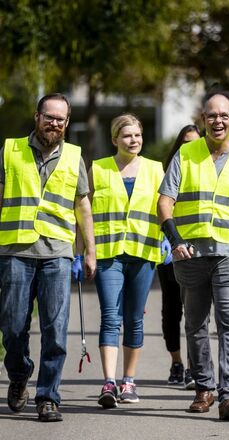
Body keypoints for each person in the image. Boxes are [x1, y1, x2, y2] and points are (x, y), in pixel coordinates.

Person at [157, 90, 229, 421]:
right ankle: (204, 387)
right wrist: (174, 238)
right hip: (191, 253)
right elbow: (165, 201)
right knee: (195, 324)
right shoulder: (186, 154)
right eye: (212, 115)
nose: (218, 121)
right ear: (202, 118)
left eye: (224, 115)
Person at [0, 93, 96, 422]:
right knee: (12, 327)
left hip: (57, 251)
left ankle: (48, 396)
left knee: (56, 329)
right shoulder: (11, 150)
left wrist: (89, 252)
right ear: (36, 116)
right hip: (15, 249)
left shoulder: (74, 156)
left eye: (60, 119)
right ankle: (19, 373)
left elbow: (83, 205)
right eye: (48, 116)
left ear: (67, 123)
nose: (53, 123)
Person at [88, 114, 164, 408]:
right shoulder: (99, 169)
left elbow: (166, 207)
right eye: (127, 136)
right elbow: (84, 212)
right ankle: (109, 382)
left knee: (134, 318)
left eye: (137, 135)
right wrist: (83, 251)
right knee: (110, 316)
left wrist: (169, 241)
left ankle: (129, 381)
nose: (134, 141)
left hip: (144, 253)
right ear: (114, 140)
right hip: (109, 254)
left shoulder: (156, 170)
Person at [157, 124, 201, 389]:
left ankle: (196, 366)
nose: (189, 146)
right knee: (172, 311)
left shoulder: (208, 172)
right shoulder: (167, 173)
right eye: (185, 142)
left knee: (196, 311)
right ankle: (177, 361)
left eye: (194, 142)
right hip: (169, 253)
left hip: (198, 251)